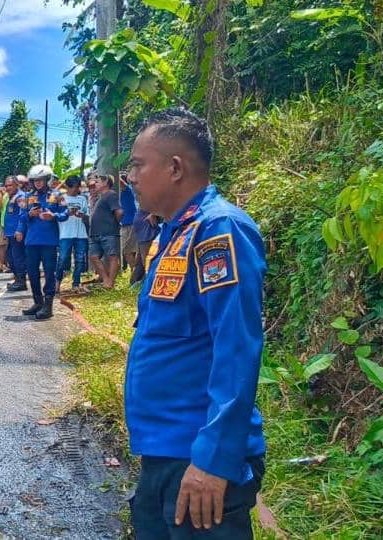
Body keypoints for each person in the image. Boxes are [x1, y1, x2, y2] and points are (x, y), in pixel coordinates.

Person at [125, 108, 267, 539]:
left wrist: (214, 460)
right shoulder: (175, 232)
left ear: (174, 168)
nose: (130, 176)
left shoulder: (218, 229)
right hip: (164, 451)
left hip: (197, 456)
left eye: (137, 164)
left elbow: (236, 349)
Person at [18, 165, 70, 320]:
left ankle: (48, 306)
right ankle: (37, 302)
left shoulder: (57, 195)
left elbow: (65, 213)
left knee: (49, 273)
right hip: (31, 241)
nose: (38, 183)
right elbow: (21, 218)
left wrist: (53, 215)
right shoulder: (28, 197)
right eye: (35, 181)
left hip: (49, 242)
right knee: (32, 273)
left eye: (41, 180)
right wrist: (29, 214)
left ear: (47, 180)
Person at [88, 173, 124, 288]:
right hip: (96, 233)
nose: (95, 184)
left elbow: (119, 212)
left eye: (98, 182)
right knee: (93, 256)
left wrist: (114, 223)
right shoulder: (100, 197)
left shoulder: (110, 194)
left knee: (112, 256)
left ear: (105, 183)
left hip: (108, 232)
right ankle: (106, 279)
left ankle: (110, 282)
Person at [57, 175, 91, 295]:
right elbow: (58, 215)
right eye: (75, 187)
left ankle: (76, 283)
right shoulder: (62, 198)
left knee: (80, 259)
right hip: (65, 233)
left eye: (78, 187)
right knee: (62, 258)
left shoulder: (82, 199)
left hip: (80, 234)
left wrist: (82, 215)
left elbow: (87, 215)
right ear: (68, 187)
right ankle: (57, 282)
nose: (77, 190)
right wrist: (68, 213)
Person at [2, 176, 28, 291]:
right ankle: (18, 280)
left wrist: (19, 230)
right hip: (10, 233)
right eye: (6, 185)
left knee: (17, 258)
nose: (7, 188)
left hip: (17, 233)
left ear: (17, 185)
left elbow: (23, 215)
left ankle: (21, 282)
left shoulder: (21, 197)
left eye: (10, 185)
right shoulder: (10, 197)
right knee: (10, 257)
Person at [132, 209, 160, 284]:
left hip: (147, 233)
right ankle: (135, 282)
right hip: (141, 233)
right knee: (140, 262)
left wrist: (153, 213)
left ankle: (151, 283)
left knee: (147, 261)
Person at [119, 173, 139, 274]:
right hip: (123, 225)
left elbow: (121, 183)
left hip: (132, 223)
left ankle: (135, 274)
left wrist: (112, 175)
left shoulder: (128, 191)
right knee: (126, 250)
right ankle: (135, 273)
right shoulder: (117, 195)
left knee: (130, 251)